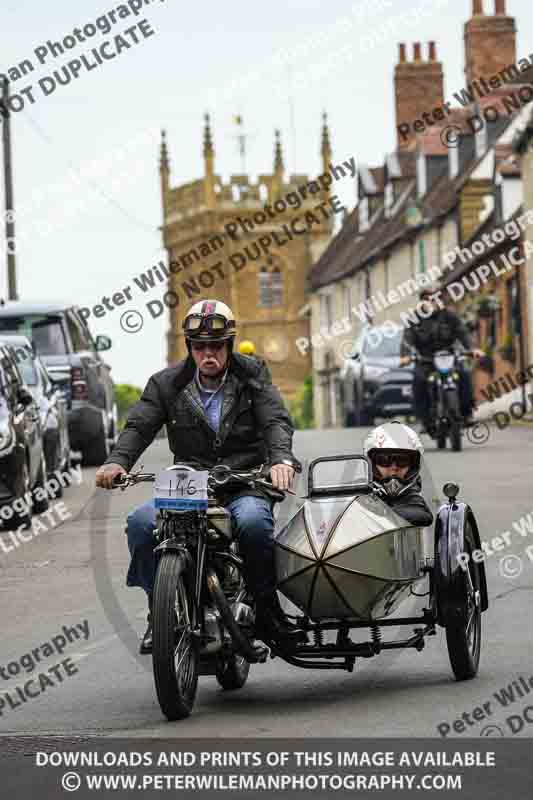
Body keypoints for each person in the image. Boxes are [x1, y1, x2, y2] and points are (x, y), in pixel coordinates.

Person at [95, 299, 304, 654]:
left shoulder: (252, 374)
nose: (209, 354)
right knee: (141, 524)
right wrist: (116, 463)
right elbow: (139, 426)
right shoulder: (166, 383)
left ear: (229, 345)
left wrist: (281, 459)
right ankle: (159, 614)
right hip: (188, 484)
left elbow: (275, 421)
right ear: (189, 347)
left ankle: (268, 613)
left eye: (217, 346)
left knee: (254, 525)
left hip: (244, 480)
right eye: (200, 346)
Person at [400, 285, 483, 432]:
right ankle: (426, 419)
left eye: (435, 299)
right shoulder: (414, 319)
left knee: (464, 374)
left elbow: (462, 332)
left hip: (449, 357)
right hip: (426, 359)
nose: (431, 302)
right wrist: (405, 356)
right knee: (419, 381)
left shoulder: (449, 316)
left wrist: (472, 349)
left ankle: (467, 414)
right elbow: (407, 338)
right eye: (427, 299)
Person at [363, 421, 433, 527]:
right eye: (384, 460)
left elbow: (419, 514)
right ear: (372, 464)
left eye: (402, 460)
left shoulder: (412, 496)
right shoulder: (359, 492)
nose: (394, 468)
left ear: (412, 466)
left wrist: (383, 516)